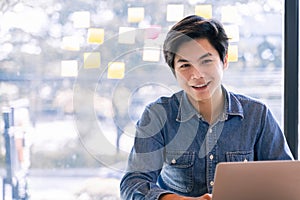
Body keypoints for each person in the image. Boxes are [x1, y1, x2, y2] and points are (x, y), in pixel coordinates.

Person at [120, 15, 294, 200]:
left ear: (224, 60)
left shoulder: (257, 115)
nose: (197, 75)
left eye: (206, 61)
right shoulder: (157, 116)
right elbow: (133, 184)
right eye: (185, 65)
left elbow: (287, 183)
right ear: (174, 71)